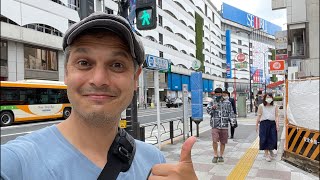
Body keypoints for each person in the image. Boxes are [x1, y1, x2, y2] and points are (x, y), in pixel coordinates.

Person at [1, 12, 197, 180]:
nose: (99, 79)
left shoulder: (154, 162)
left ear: (135, 78)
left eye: (117, 65)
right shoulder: (18, 162)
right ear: (66, 73)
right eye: (84, 63)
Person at [207, 88, 235, 163]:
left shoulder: (227, 102)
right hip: (215, 124)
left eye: (219, 94)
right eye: (217, 94)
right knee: (214, 140)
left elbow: (231, 112)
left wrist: (233, 121)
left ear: (222, 93)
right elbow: (208, 111)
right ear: (215, 94)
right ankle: (215, 155)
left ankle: (221, 155)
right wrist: (212, 108)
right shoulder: (212, 102)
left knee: (223, 141)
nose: (218, 95)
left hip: (224, 124)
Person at [256, 93, 279, 162]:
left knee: (273, 138)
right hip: (264, 123)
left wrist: (277, 125)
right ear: (265, 98)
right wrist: (256, 125)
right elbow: (259, 115)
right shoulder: (261, 106)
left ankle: (270, 150)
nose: (269, 98)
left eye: (270, 97)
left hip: (272, 123)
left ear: (272, 98)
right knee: (264, 138)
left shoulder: (275, 106)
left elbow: (276, 116)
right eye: (267, 97)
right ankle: (266, 154)